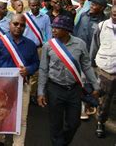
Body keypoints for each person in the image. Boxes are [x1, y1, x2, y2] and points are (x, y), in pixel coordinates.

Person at [38, 16, 100, 146]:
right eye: (53, 27)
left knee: (74, 123)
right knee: (56, 124)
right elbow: (43, 69)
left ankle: (62, 142)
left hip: (74, 89)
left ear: (67, 30)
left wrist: (96, 86)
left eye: (57, 28)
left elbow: (87, 66)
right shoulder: (48, 46)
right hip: (55, 88)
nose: (53, 30)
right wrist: (40, 92)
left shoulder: (80, 44)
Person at [0, 14, 39, 146]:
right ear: (9, 24)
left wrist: (28, 70)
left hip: (22, 86)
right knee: (0, 115)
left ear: (25, 27)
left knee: (22, 119)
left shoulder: (30, 45)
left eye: (22, 25)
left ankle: (18, 143)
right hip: (1, 87)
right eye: (15, 24)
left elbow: (35, 63)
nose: (18, 27)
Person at [73, 0, 107, 119]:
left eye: (95, 5)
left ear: (102, 8)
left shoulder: (104, 23)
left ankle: (90, 106)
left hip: (94, 60)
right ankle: (82, 108)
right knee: (80, 82)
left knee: (91, 84)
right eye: (91, 4)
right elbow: (75, 33)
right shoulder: (83, 16)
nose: (91, 6)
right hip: (79, 55)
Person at [90, 5, 116, 138]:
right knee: (104, 99)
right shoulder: (102, 26)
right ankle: (100, 121)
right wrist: (91, 63)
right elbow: (95, 45)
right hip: (106, 69)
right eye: (113, 13)